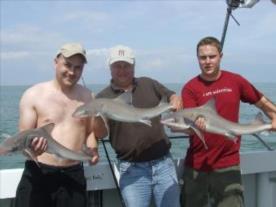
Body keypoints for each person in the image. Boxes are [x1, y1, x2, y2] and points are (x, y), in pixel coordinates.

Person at [180, 36, 276, 207]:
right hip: (196, 164)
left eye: (212, 56)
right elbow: (188, 123)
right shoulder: (190, 88)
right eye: (203, 57)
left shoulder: (235, 81)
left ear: (221, 56)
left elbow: (261, 101)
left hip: (228, 163)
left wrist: (274, 116)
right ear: (198, 59)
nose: (207, 61)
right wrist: (194, 126)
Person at [93, 45, 182, 207]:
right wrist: (98, 116)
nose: (122, 70)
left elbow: (171, 95)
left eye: (126, 65)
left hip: (164, 165)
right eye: (117, 66)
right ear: (110, 67)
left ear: (134, 66)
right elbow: (99, 134)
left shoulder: (148, 83)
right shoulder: (103, 97)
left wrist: (175, 99)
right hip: (132, 170)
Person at [15, 43, 99, 207]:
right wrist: (32, 149)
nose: (72, 72)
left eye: (78, 67)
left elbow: (89, 132)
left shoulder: (88, 97)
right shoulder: (33, 95)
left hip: (73, 175)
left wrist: (93, 150)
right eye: (67, 65)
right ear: (55, 62)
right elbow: (22, 139)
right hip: (38, 174)